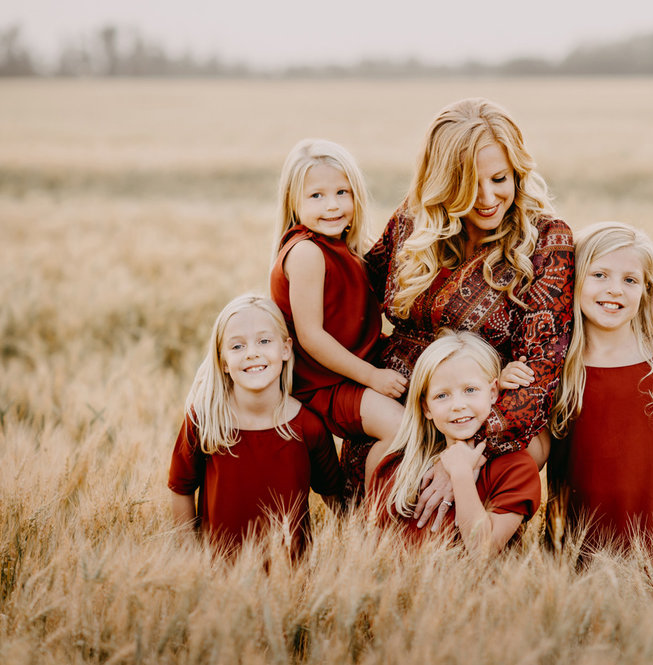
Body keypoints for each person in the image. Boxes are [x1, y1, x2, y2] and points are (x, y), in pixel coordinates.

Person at [362, 98, 574, 526]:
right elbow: (356, 293)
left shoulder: (548, 241)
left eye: (500, 179)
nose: (487, 197)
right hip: (406, 413)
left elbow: (542, 372)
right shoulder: (412, 222)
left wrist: (462, 454)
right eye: (467, 184)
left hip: (494, 421)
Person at [548, 222, 653, 556]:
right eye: (599, 275)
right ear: (573, 280)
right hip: (576, 558)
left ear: (646, 291)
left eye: (630, 280)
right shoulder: (557, 365)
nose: (615, 290)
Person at [269, 138, 405, 498]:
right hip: (322, 384)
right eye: (316, 196)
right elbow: (312, 336)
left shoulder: (349, 250)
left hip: (349, 373)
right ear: (294, 203)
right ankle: (372, 516)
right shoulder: (307, 253)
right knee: (401, 429)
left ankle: (352, 502)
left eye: (342, 192)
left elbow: (354, 310)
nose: (332, 206)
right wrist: (373, 377)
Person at [168, 294, 343, 557]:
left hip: (291, 583)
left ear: (285, 349)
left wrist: (358, 552)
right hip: (218, 578)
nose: (252, 353)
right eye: (237, 347)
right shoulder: (204, 420)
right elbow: (181, 489)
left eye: (264, 341)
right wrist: (191, 558)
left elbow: (335, 499)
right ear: (223, 361)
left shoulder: (309, 426)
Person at [366, 330, 541, 553]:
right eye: (442, 395)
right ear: (426, 407)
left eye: (470, 390)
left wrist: (460, 474)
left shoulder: (516, 468)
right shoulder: (397, 465)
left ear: (493, 392)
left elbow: (482, 550)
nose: (457, 405)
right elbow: (372, 555)